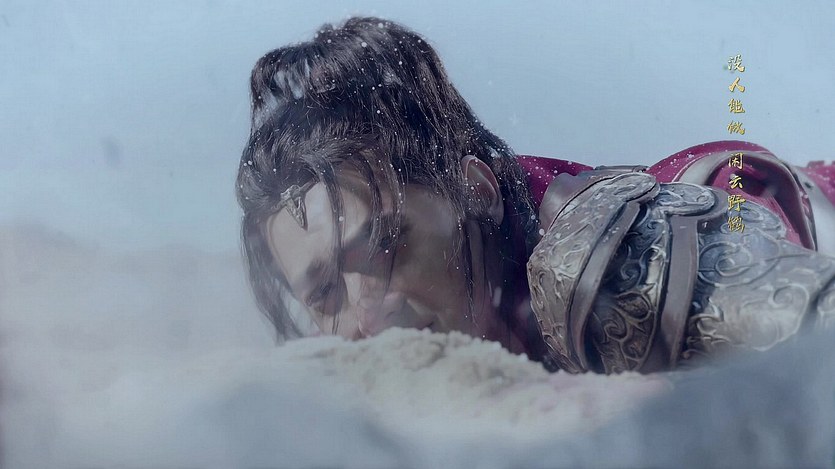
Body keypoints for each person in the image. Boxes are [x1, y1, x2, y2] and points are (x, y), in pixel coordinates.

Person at [236, 17, 835, 374]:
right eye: (325, 292)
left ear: (477, 191)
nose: (371, 316)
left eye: (388, 244)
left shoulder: (620, 260)